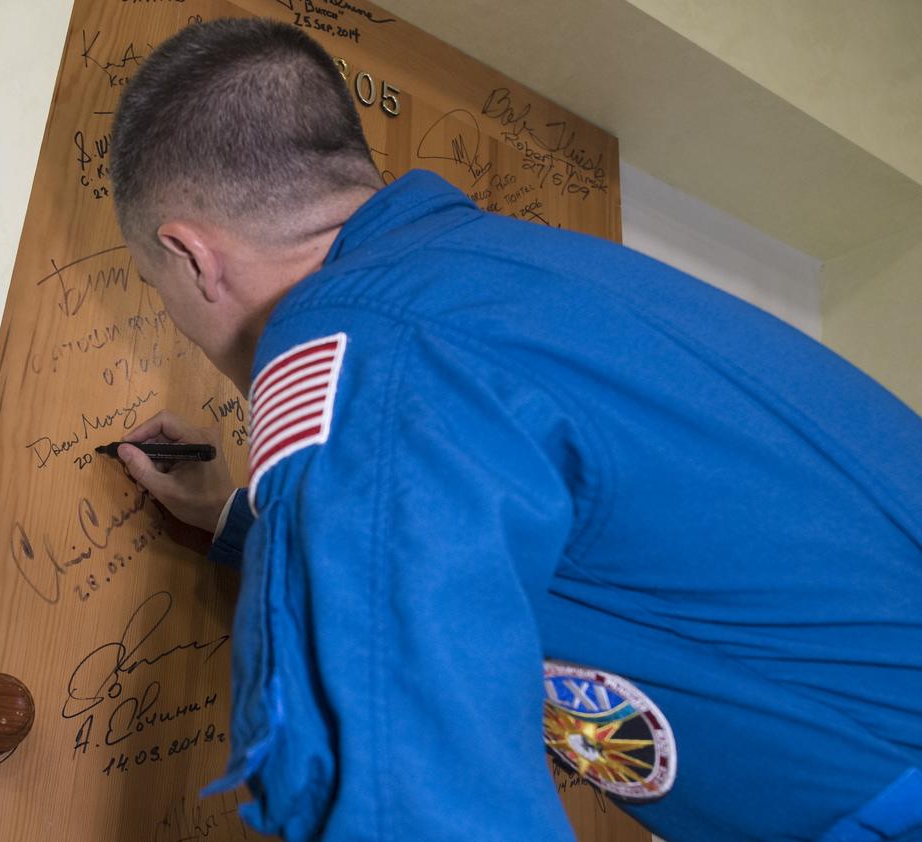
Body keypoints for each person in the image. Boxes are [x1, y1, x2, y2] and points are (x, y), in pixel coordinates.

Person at [105, 17, 922, 842]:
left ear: (192, 256)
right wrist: (241, 519)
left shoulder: (347, 335)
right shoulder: (505, 280)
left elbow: (400, 791)